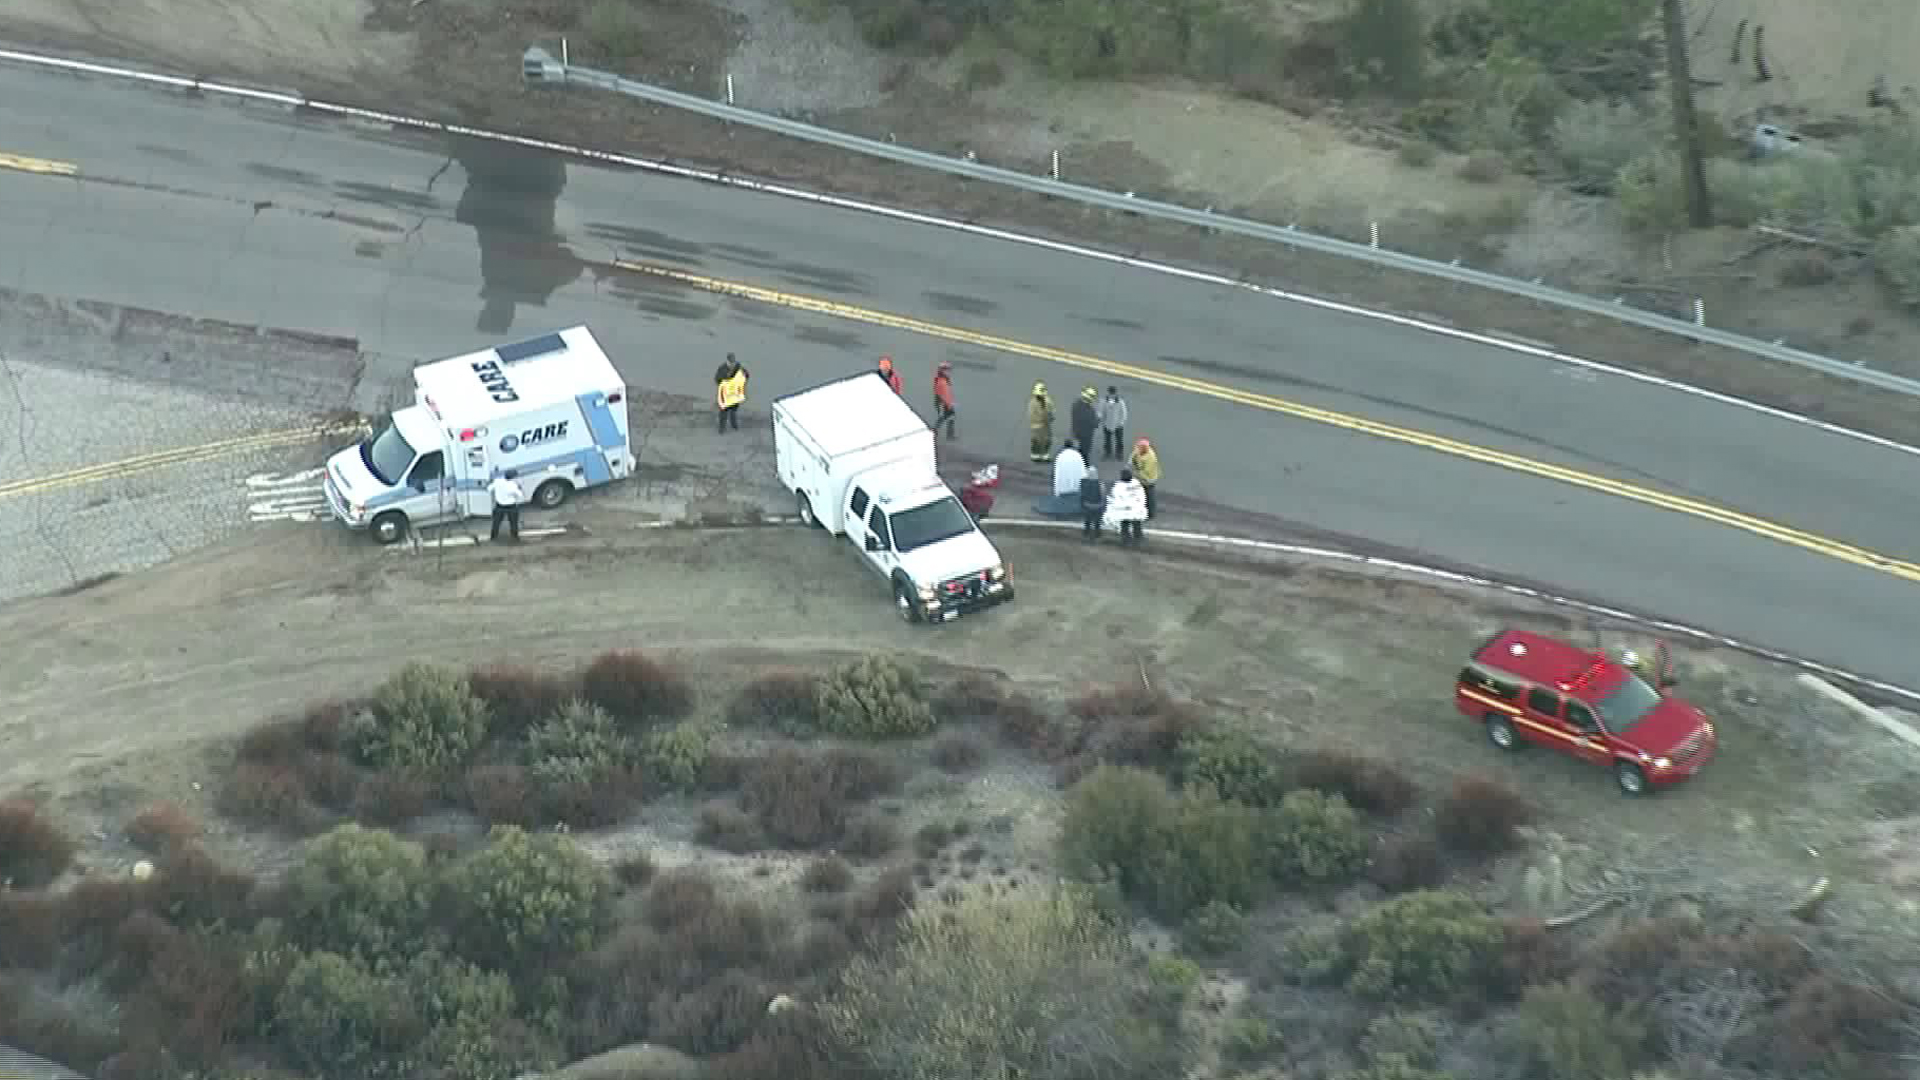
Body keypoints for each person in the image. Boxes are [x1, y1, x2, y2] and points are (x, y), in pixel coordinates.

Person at [1107, 467, 1147, 545]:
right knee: (1130, 524)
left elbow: (1141, 494)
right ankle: (1130, 539)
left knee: (1131, 524)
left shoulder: (1123, 485)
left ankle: (1133, 539)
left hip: (1131, 508)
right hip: (1128, 509)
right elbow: (1117, 497)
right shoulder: (1129, 484)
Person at [488, 468, 525, 542]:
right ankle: (515, 537)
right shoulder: (513, 485)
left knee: (496, 523)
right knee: (513, 523)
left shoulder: (497, 481)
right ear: (513, 477)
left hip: (499, 506)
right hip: (511, 507)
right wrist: (519, 488)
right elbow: (520, 496)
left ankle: (493, 537)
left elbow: (489, 489)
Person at [1128, 436, 1162, 519]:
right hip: (1140, 476)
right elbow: (1132, 457)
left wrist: (1136, 474)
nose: (1138, 449)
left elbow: (1146, 472)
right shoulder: (1139, 450)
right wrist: (1130, 464)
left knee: (1149, 496)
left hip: (1149, 479)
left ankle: (1150, 514)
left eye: (1140, 447)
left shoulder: (1150, 457)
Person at [715, 354, 748, 433]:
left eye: (733, 360)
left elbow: (746, 375)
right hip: (725, 393)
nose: (732, 361)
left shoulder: (738, 367)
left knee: (733, 411)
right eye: (730, 360)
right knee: (724, 411)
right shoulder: (722, 368)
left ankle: (734, 427)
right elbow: (717, 379)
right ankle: (722, 428)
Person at [1099, 386, 1129, 461]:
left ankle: (1119, 453)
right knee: (1107, 440)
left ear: (1115, 394)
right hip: (1107, 424)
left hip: (1118, 425)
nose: (1112, 395)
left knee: (1119, 440)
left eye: (1113, 394)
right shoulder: (1103, 401)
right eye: (1110, 394)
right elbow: (1100, 411)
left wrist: (1121, 423)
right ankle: (1107, 452)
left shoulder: (1120, 402)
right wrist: (1102, 420)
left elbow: (1124, 413)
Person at [1027, 382, 1054, 462]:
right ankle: (1037, 455)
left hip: (1043, 425)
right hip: (1039, 425)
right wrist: (1045, 419)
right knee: (1038, 441)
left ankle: (1043, 455)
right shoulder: (1034, 403)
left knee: (1046, 440)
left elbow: (1051, 411)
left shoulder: (1046, 401)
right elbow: (1033, 415)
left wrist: (1050, 417)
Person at [1078, 462, 1105, 542]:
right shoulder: (1100, 483)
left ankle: (1086, 532)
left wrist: (1082, 504)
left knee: (1088, 520)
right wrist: (1102, 504)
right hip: (1098, 506)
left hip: (1088, 505)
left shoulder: (1084, 483)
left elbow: (1082, 495)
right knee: (1097, 521)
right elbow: (1103, 494)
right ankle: (1097, 533)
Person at [1071, 386, 1098, 461]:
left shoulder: (1076, 404)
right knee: (1085, 451)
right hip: (1086, 434)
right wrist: (1098, 419)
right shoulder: (1090, 410)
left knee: (1077, 448)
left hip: (1076, 431)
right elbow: (1094, 423)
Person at [932, 361, 956, 440]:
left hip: (942, 402)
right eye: (947, 370)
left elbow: (947, 393)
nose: (948, 372)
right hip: (943, 402)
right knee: (948, 417)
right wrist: (949, 404)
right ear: (942, 370)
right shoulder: (941, 381)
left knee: (945, 417)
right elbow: (944, 394)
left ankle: (936, 432)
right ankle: (949, 435)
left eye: (949, 370)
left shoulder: (942, 379)